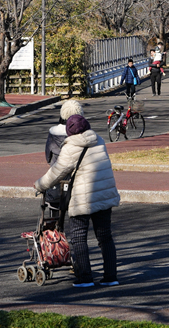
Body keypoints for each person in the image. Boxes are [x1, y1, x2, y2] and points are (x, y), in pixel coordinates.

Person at [34, 112, 121, 287]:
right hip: (104, 195)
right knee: (105, 237)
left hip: (83, 198)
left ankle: (85, 278)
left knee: (79, 237)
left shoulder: (71, 146)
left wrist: (39, 185)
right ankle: (111, 277)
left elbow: (57, 172)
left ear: (70, 132)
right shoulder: (100, 141)